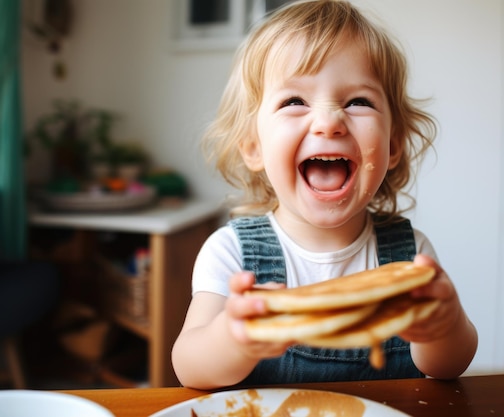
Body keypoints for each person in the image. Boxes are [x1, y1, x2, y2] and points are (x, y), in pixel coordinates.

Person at [172, 0, 477, 390]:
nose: (330, 121)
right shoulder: (230, 253)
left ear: (393, 144)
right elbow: (188, 366)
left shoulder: (410, 257)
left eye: (358, 102)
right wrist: (233, 338)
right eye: (294, 102)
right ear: (253, 145)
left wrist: (444, 327)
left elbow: (447, 368)